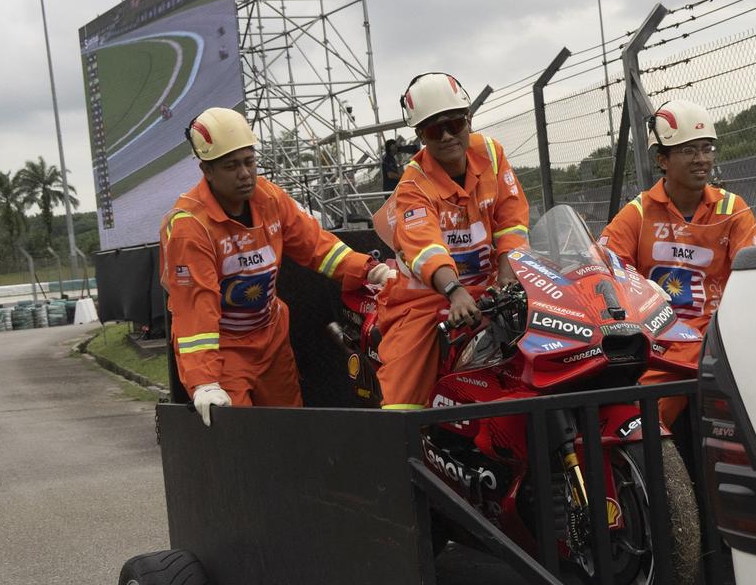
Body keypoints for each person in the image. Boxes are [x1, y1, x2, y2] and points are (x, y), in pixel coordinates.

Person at [161, 107, 394, 426]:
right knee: (238, 435)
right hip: (225, 349)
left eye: (249, 161)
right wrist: (204, 382)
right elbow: (194, 310)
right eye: (231, 166)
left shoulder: (268, 198)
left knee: (289, 430)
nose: (244, 173)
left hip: (271, 340)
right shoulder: (190, 227)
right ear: (207, 171)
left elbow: (316, 245)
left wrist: (370, 269)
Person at [371, 73, 530, 409]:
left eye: (454, 124)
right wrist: (454, 291)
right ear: (420, 137)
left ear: (468, 119)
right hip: (426, 299)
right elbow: (424, 245)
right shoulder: (413, 184)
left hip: (491, 289)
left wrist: (508, 274)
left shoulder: (492, 153)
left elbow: (511, 220)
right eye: (432, 130)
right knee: (403, 395)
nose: (446, 136)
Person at [600, 99, 756, 425]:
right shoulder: (639, 212)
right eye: (688, 151)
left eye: (707, 148)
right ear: (662, 160)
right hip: (661, 346)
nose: (702, 159)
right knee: (640, 427)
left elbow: (754, 280)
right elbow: (606, 269)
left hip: (721, 340)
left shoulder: (733, 209)